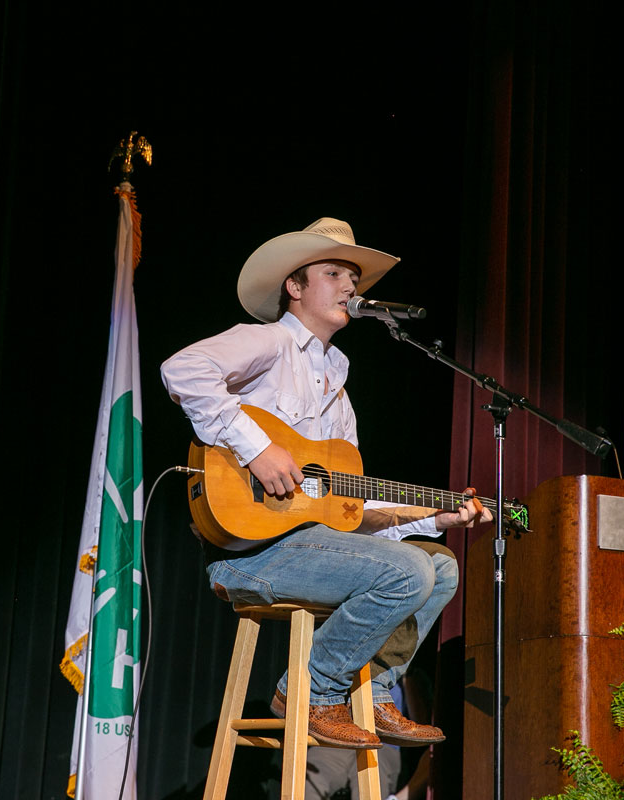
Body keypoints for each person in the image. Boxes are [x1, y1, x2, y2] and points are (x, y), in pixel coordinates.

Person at [161, 217, 492, 750]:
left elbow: (345, 509)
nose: (349, 286)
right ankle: (312, 693)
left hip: (309, 545)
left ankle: (378, 691)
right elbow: (183, 369)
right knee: (407, 571)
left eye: (353, 277)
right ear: (294, 287)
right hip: (248, 553)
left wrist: (434, 517)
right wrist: (258, 448)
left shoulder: (337, 383)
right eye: (334, 272)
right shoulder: (267, 342)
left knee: (440, 564)